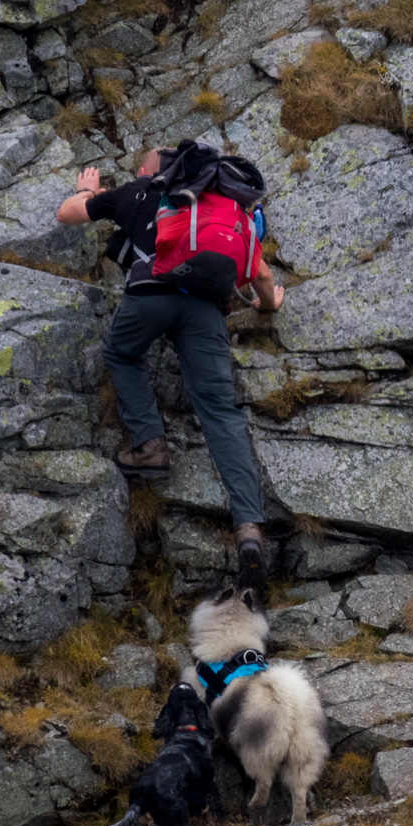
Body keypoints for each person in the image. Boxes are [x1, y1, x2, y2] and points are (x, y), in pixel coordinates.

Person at [56, 149, 284, 586]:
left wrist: (88, 190)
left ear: (150, 170)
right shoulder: (226, 210)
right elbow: (263, 281)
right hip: (204, 310)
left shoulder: (139, 190)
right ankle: (250, 530)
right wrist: (270, 306)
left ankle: (149, 444)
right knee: (220, 413)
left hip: (149, 295)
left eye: (142, 165)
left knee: (122, 354)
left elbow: (66, 214)